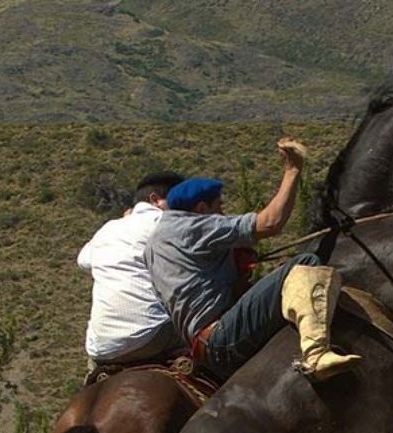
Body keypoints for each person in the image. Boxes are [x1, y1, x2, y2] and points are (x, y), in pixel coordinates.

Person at [144, 138, 361, 383]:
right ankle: (316, 354)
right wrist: (293, 170)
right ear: (202, 209)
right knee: (305, 263)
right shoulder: (192, 227)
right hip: (222, 337)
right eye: (220, 207)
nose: (222, 214)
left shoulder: (154, 244)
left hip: (201, 346)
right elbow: (270, 222)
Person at [77, 171, 187, 371]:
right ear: (155, 200)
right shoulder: (166, 223)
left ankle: (93, 379)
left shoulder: (109, 228)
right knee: (209, 338)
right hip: (150, 335)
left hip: (101, 347)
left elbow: (83, 260)